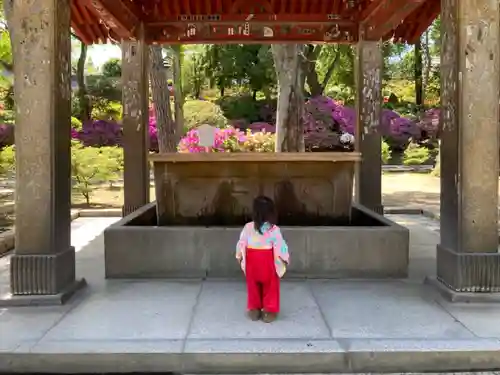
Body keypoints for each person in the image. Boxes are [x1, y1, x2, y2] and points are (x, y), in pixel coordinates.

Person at [235, 196, 290, 323]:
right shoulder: (274, 230)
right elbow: (281, 246)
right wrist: (285, 258)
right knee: (271, 287)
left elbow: (241, 243)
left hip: (252, 264)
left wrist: (239, 256)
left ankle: (254, 309)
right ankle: (269, 311)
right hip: (268, 264)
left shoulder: (248, 227)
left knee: (252, 287)